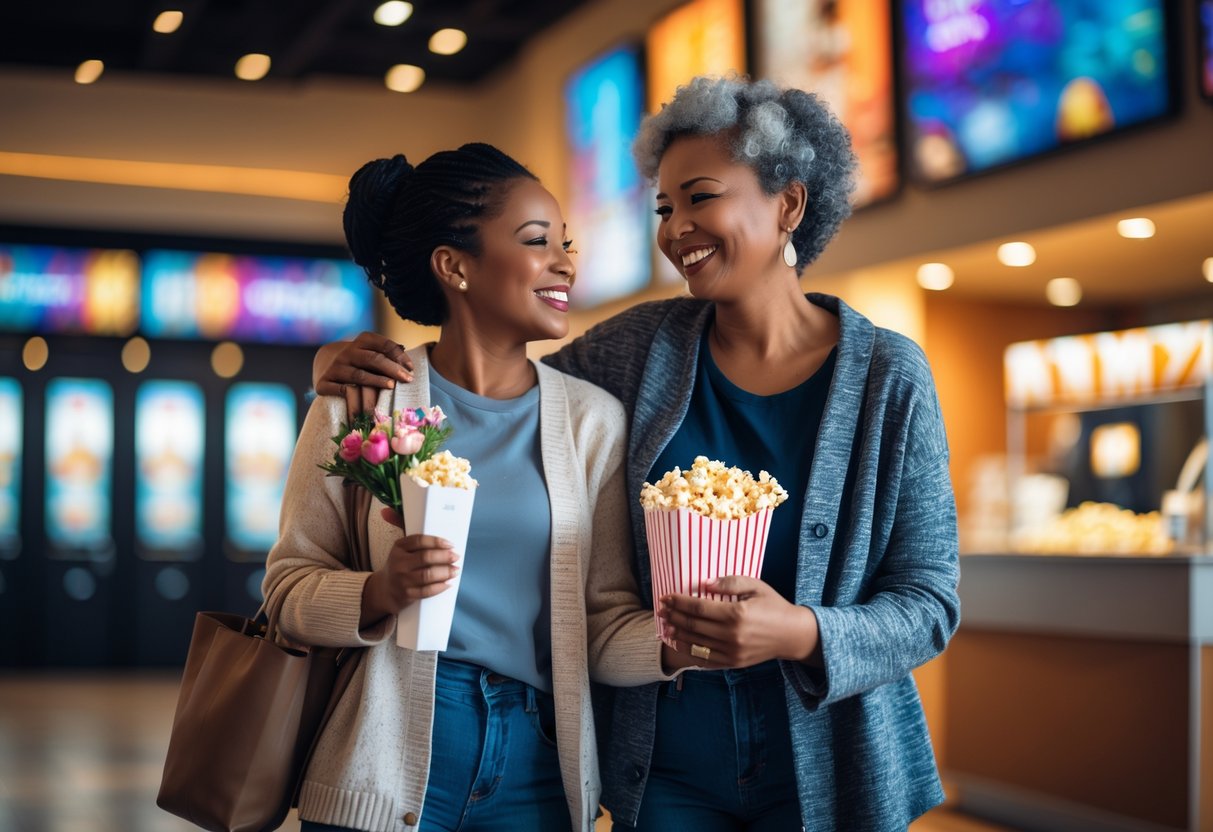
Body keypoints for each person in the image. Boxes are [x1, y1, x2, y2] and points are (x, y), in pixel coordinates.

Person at [315, 77, 961, 831]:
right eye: (663, 208)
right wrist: (343, 361)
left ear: (788, 204)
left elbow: (929, 602)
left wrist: (799, 632)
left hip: (827, 755)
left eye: (699, 198)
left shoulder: (887, 376)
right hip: (666, 760)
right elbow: (494, 381)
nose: (676, 228)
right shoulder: (638, 348)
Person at [264, 142, 665, 832]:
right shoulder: (363, 403)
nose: (565, 263)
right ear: (454, 266)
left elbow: (599, 624)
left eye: (565, 243)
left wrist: (677, 645)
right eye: (537, 241)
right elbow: (285, 592)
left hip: (536, 767)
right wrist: (378, 592)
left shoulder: (592, 423)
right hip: (378, 761)